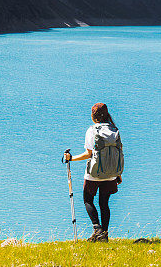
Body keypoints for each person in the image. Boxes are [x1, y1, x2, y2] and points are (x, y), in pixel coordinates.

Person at [63, 103, 123, 242]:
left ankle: (97, 229)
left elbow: (88, 154)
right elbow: (118, 153)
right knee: (104, 203)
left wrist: (71, 158)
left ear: (93, 116)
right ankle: (104, 235)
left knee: (88, 199)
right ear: (107, 114)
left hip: (94, 173)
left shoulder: (92, 130)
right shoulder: (114, 129)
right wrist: (118, 173)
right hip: (111, 173)